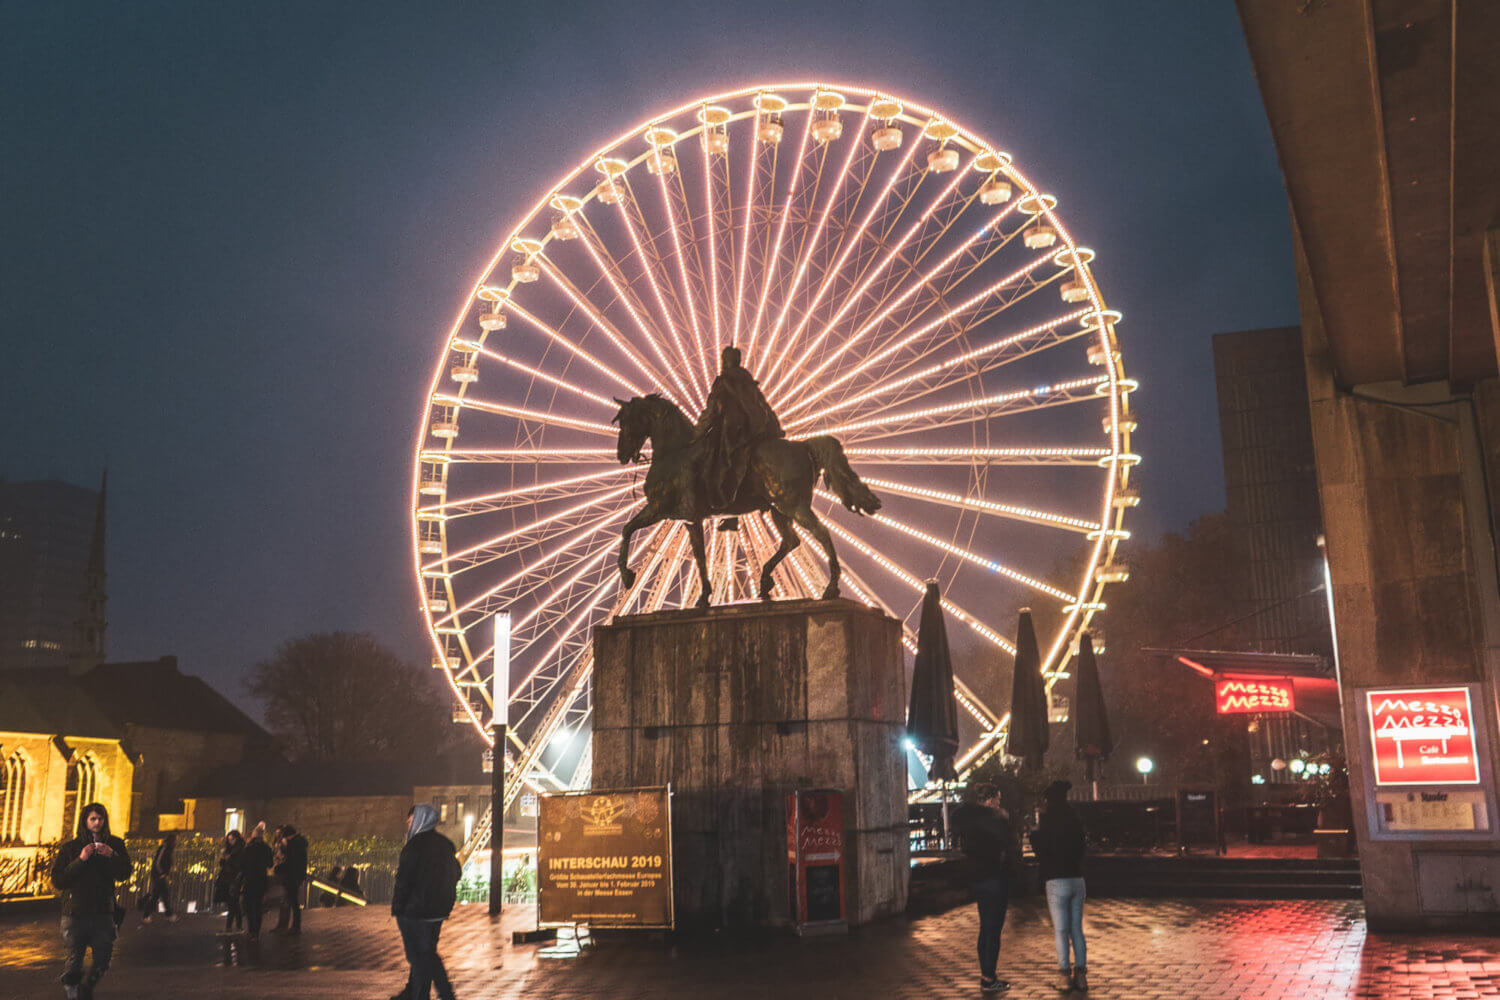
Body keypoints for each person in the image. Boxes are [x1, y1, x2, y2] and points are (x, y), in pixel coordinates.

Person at [50, 802, 132, 1000]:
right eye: (92, 819)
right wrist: (81, 859)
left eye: (100, 819)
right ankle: (72, 992)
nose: (96, 823)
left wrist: (112, 855)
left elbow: (125, 873)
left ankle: (86, 988)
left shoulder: (115, 844)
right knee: (74, 960)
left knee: (103, 960)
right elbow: (58, 880)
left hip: (103, 911)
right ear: (85, 821)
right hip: (75, 912)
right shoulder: (71, 848)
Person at [691, 345, 785, 510]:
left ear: (725, 361)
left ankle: (721, 497)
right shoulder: (748, 381)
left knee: (714, 459)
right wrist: (774, 426)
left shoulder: (724, 381)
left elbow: (712, 411)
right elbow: (763, 404)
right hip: (756, 428)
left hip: (733, 429)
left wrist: (696, 433)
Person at [391, 804, 461, 1000]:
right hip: (438, 910)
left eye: (411, 820)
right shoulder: (445, 843)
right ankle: (421, 993)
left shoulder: (413, 846)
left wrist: (398, 907)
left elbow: (404, 879)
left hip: (416, 911)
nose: (408, 824)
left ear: (421, 820)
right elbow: (456, 872)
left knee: (421, 956)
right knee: (426, 953)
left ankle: (434, 994)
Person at [952, 782, 1013, 994]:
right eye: (998, 798)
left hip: (977, 880)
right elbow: (1007, 845)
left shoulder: (971, 820)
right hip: (995, 879)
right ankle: (989, 978)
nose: (999, 802)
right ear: (991, 799)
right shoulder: (995, 821)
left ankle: (986, 974)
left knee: (984, 928)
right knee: (993, 930)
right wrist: (1003, 818)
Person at [1031, 780, 1089, 993]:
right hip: (1076, 878)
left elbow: (1041, 849)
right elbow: (1082, 848)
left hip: (1056, 880)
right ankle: (1081, 975)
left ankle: (1065, 974)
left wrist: (1034, 834)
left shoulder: (1047, 822)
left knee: (1061, 930)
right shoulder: (1075, 820)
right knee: (1077, 929)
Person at [273, 823, 309, 934]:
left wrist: (279, 867)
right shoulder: (299, 843)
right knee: (292, 901)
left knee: (293, 901)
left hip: (292, 875)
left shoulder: (294, 844)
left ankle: (295, 926)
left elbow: (291, 861)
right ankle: (293, 926)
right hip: (296, 875)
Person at [241, 822, 274, 941]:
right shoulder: (267, 848)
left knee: (249, 906)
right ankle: (256, 932)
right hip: (261, 879)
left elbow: (242, 864)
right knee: (258, 906)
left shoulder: (248, 848)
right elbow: (270, 864)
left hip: (250, 878)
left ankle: (251, 931)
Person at [214, 830, 246, 933]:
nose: (230, 841)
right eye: (229, 839)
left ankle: (231, 926)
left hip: (234, 878)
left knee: (233, 902)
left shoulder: (240, 850)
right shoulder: (229, 850)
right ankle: (237, 926)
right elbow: (222, 864)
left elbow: (239, 866)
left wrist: (229, 859)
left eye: (232, 839)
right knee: (233, 903)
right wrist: (224, 859)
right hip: (227, 878)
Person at [141, 832, 176, 923]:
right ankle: (168, 915)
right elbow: (158, 862)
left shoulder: (166, 848)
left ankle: (148, 915)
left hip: (160, 875)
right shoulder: (165, 848)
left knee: (158, 896)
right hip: (159, 875)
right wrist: (162, 873)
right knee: (162, 895)